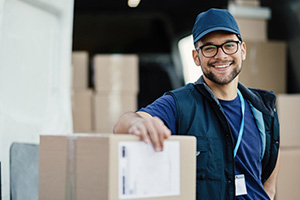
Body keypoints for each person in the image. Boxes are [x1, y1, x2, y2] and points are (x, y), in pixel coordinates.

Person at [113, 8, 280, 200]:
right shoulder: (179, 104)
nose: (221, 55)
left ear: (242, 50)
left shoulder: (263, 109)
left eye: (229, 45)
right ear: (196, 57)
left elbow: (268, 186)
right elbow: (122, 125)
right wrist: (138, 124)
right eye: (209, 48)